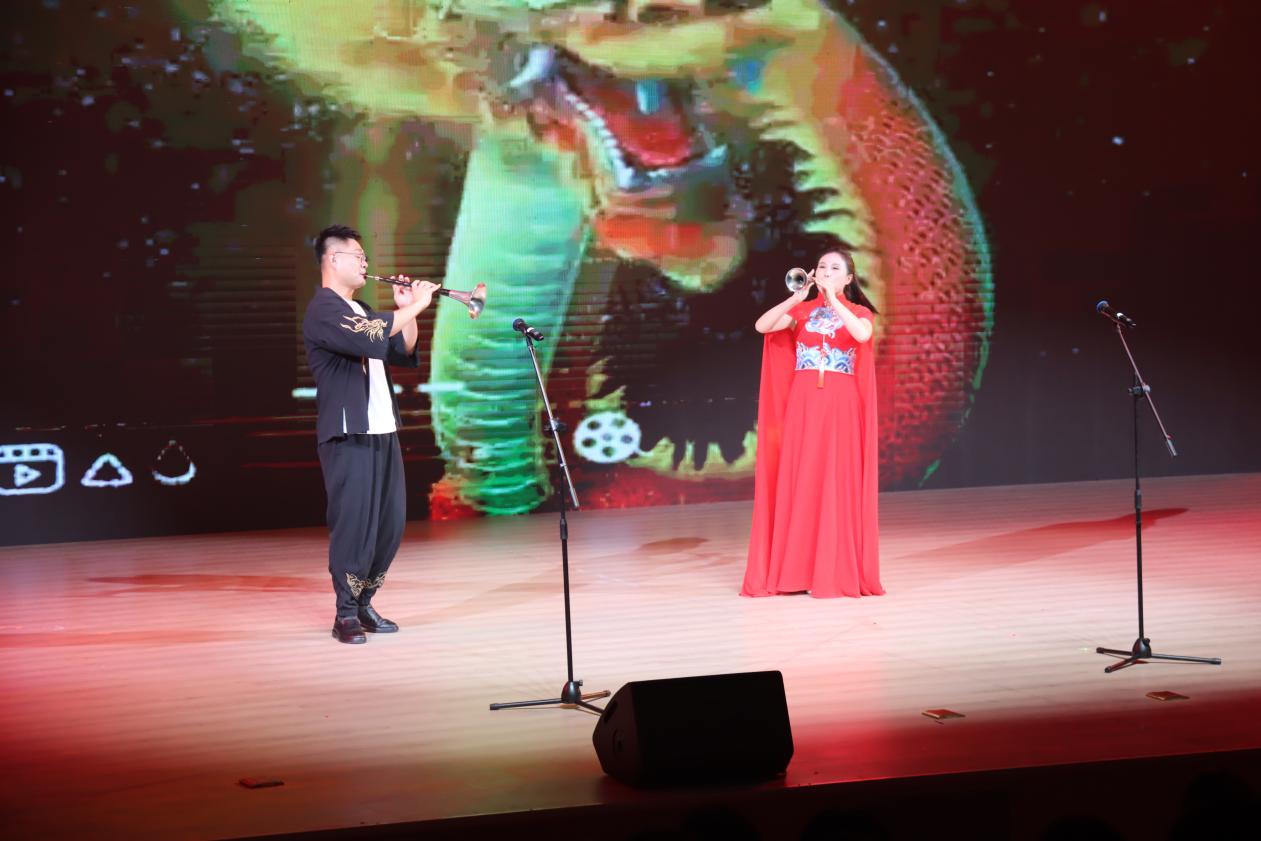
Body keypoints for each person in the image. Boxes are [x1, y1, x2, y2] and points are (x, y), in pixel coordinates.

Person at [303, 224, 440, 643]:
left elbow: (402, 347)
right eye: (358, 256)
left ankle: (365, 603)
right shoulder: (324, 309)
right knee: (354, 523)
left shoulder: (361, 308)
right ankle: (345, 613)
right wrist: (418, 303)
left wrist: (408, 309)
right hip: (349, 433)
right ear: (334, 259)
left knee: (388, 522)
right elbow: (372, 335)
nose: (365, 263)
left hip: (382, 430)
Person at [742, 249, 884, 598]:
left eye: (834, 268)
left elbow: (861, 336)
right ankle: (797, 570)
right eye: (822, 266)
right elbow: (762, 326)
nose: (826, 271)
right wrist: (796, 297)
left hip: (840, 406)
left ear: (848, 279)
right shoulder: (802, 312)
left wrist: (834, 300)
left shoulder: (860, 312)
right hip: (803, 404)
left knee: (835, 478)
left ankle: (832, 570)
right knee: (802, 477)